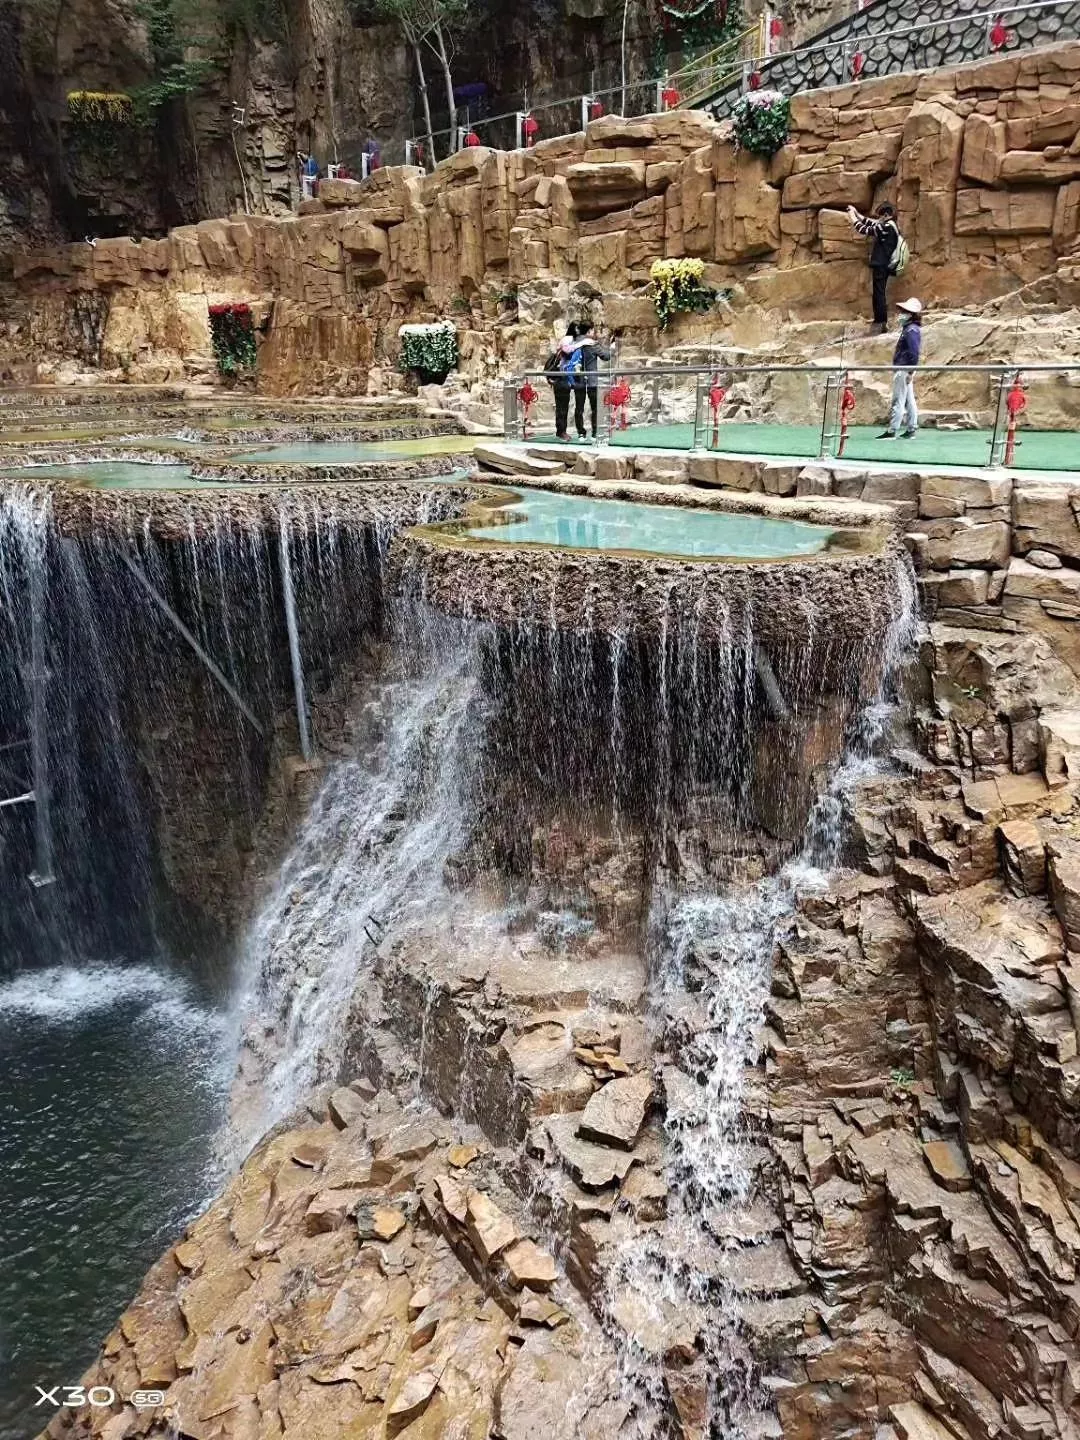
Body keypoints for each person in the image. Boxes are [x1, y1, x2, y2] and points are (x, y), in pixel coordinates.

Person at [847, 202, 901, 333]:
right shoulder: (890, 225)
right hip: (884, 264)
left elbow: (864, 229)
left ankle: (880, 321)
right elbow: (871, 223)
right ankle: (881, 321)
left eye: (880, 216)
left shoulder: (887, 227)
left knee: (879, 294)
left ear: (886, 215)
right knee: (879, 292)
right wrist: (857, 213)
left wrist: (852, 217)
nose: (879, 219)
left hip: (881, 264)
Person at [879, 297, 923, 439]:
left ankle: (892, 430)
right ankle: (911, 428)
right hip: (906, 368)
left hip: (904, 368)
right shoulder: (910, 329)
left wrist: (910, 370)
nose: (900, 314)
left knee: (898, 399)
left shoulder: (911, 330)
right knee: (909, 400)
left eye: (904, 312)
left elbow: (913, 352)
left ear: (910, 314)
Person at [574, 322, 612, 440]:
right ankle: (595, 433)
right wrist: (610, 347)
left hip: (578, 379)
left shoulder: (574, 343)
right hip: (592, 380)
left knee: (579, 407)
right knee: (595, 407)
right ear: (589, 331)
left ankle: (581, 433)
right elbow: (606, 356)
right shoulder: (593, 344)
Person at [544, 324, 580, 441]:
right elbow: (567, 352)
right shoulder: (568, 342)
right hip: (561, 379)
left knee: (563, 406)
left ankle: (561, 431)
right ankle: (561, 431)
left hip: (565, 379)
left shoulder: (571, 342)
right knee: (562, 407)